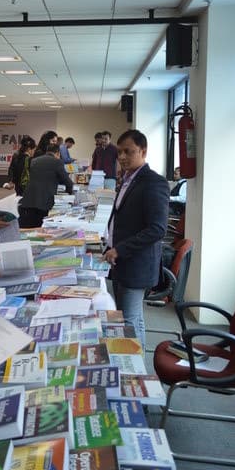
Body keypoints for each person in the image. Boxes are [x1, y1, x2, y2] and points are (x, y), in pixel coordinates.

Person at [102, 129, 169, 350]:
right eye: (119, 152)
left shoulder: (154, 182)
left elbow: (157, 229)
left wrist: (120, 249)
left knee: (128, 321)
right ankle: (138, 361)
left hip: (136, 262)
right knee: (130, 318)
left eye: (128, 152)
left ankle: (134, 367)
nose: (122, 157)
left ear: (143, 151)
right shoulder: (128, 179)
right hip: (121, 260)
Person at [18, 143, 73, 228]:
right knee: (41, 227)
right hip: (44, 201)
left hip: (28, 198)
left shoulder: (34, 160)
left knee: (30, 226)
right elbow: (67, 181)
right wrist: (69, 195)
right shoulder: (57, 162)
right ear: (57, 153)